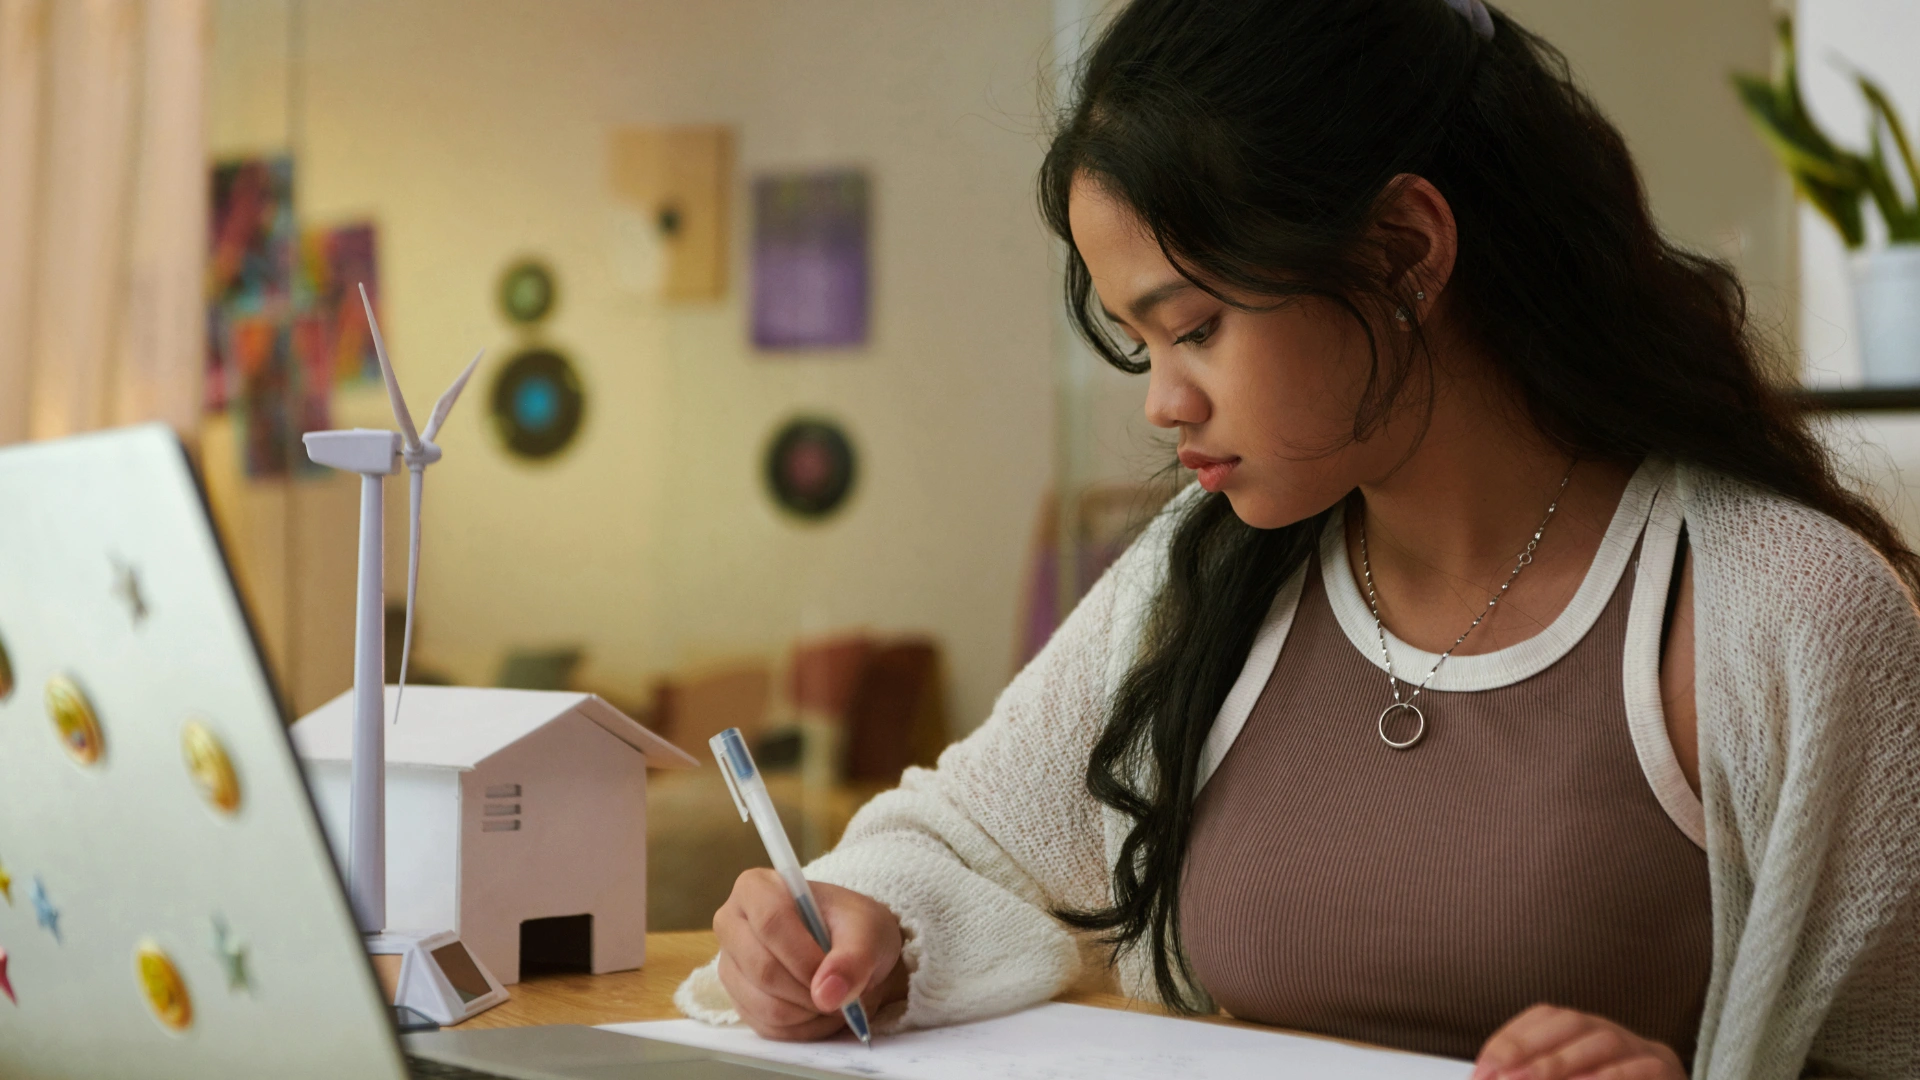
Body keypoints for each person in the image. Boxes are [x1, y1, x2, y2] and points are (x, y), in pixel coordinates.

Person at [678, 0, 1920, 1076]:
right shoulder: (1198, 574)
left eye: (1199, 326)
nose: (1164, 401)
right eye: (1142, 341)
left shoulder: (1781, 615)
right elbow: (956, 842)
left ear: (1403, 249)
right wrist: (853, 928)